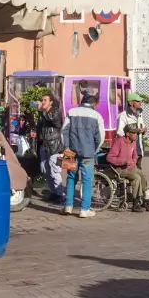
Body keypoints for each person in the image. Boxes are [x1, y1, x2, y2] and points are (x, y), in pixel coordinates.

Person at [62, 88, 105, 218]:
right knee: (86, 181)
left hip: (71, 153)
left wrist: (67, 147)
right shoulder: (97, 116)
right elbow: (100, 137)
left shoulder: (71, 112)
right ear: (94, 104)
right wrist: (94, 149)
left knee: (70, 178)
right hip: (88, 154)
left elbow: (64, 131)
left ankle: (68, 206)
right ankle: (84, 209)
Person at [105, 123, 149, 212]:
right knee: (136, 177)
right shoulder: (119, 142)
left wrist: (133, 161)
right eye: (134, 133)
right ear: (127, 134)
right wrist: (123, 162)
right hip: (118, 169)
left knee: (143, 176)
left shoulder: (133, 142)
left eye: (136, 133)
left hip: (130, 167)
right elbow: (109, 157)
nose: (136, 135)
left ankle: (146, 200)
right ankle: (135, 202)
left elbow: (135, 156)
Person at [34, 91, 65, 203]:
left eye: (45, 100)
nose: (42, 102)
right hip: (45, 145)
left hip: (54, 145)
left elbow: (51, 119)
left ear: (51, 102)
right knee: (47, 170)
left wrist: (41, 110)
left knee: (54, 171)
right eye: (42, 100)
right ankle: (53, 193)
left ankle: (60, 194)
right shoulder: (43, 114)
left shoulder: (55, 112)